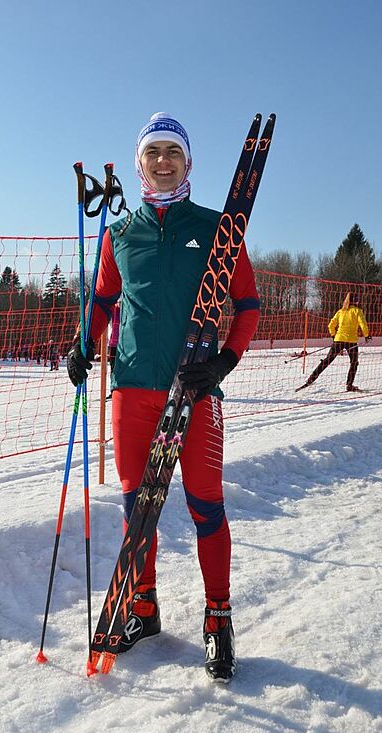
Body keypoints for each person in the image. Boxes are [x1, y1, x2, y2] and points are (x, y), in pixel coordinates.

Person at [66, 112, 260, 681]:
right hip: (132, 389)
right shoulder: (120, 233)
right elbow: (103, 301)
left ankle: (218, 617)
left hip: (196, 390)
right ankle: (142, 608)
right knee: (137, 509)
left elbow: (246, 306)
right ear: (140, 163)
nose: (163, 161)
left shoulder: (218, 228)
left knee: (205, 504)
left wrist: (225, 359)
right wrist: (84, 344)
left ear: (188, 162)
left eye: (173, 152)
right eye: (153, 153)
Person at [296, 291, 370, 392]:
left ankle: (310, 380)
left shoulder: (340, 311)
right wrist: (367, 335)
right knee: (354, 363)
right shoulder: (357, 311)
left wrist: (334, 336)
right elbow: (363, 324)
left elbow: (331, 325)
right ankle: (349, 385)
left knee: (327, 361)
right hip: (351, 341)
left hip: (338, 340)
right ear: (355, 300)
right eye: (357, 299)